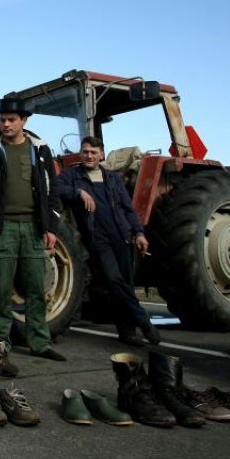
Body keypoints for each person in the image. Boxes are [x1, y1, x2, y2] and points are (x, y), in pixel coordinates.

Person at [0, 97, 66, 367]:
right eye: (2, 119)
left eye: (12, 119)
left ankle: (40, 343)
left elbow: (52, 191)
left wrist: (51, 228)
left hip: (35, 229)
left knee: (36, 288)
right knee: (0, 289)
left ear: (24, 121)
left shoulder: (41, 150)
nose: (6, 124)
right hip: (3, 229)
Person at [56, 136, 160, 346]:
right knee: (113, 280)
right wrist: (78, 192)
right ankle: (144, 321)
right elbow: (55, 188)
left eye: (94, 152)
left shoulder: (112, 178)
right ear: (81, 153)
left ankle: (128, 332)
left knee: (125, 285)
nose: (89, 156)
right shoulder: (72, 176)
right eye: (85, 152)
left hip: (121, 235)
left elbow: (127, 209)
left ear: (101, 154)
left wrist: (138, 233)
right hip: (97, 237)